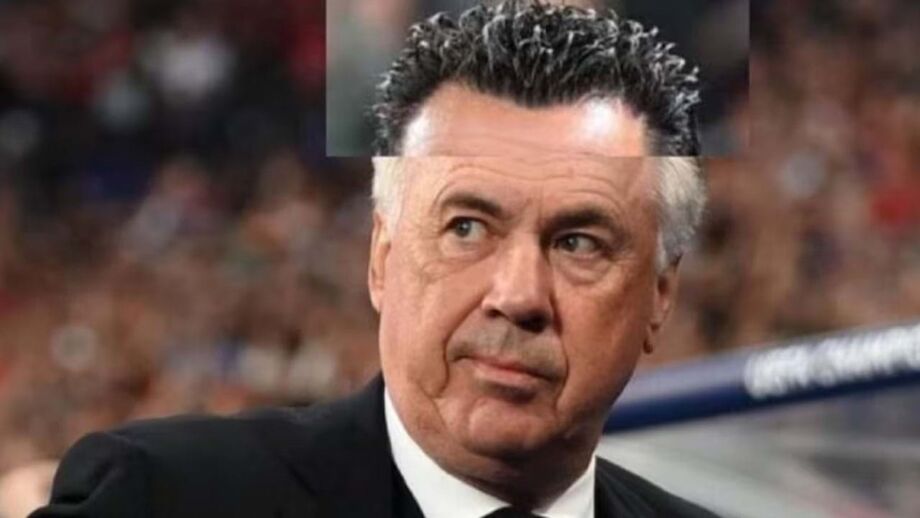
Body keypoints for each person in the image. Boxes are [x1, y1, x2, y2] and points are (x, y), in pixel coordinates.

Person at [32, 2, 716, 517]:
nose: (517, 295)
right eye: (467, 228)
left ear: (660, 295)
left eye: (578, 243)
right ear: (381, 259)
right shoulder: (163, 499)